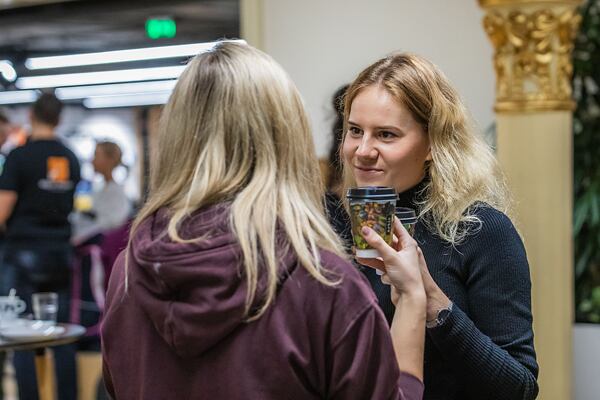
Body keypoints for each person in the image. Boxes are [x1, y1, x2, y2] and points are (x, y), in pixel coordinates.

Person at [101, 41, 427, 400]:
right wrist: (412, 298)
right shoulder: (326, 284)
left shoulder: (128, 274)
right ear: (289, 140)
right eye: (355, 131)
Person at [335, 53, 539, 399]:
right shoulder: (331, 224)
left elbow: (519, 388)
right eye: (355, 131)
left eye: (386, 135)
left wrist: (431, 300)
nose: (363, 151)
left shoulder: (482, 231)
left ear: (433, 143)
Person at [0, 93, 80, 400]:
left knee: (22, 333)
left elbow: (2, 210)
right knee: (61, 331)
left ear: (31, 115)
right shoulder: (69, 157)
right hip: (60, 253)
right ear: (58, 119)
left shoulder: (19, 156)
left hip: (22, 253)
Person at [71, 140, 131, 245]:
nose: (92, 160)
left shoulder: (115, 192)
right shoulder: (100, 188)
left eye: (96, 155)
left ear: (109, 160)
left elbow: (112, 224)